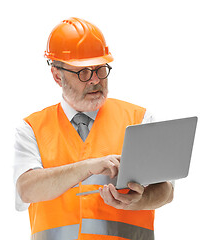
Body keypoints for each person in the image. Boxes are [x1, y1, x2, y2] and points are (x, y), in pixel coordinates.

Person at [14, 17, 174, 240]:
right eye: (83, 72)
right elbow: (26, 189)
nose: (95, 80)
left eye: (100, 69)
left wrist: (140, 199)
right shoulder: (32, 128)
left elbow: (166, 191)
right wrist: (87, 167)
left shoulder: (139, 119)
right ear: (57, 76)